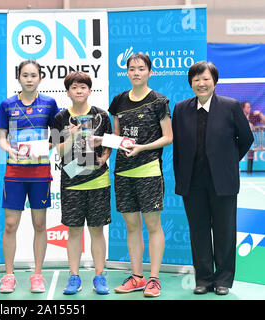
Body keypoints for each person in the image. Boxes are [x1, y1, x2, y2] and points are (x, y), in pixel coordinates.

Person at [172, 61, 254, 295]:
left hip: (223, 181)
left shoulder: (231, 106)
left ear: (214, 82)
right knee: (198, 231)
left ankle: (223, 280)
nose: (201, 83)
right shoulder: (180, 109)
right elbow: (178, 146)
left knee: (224, 230)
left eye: (206, 79)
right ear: (191, 83)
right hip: (192, 181)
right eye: (196, 80)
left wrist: (228, 162)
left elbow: (246, 138)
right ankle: (204, 279)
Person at [108, 53, 173, 297]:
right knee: (132, 226)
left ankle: (154, 279)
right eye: (132, 69)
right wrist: (113, 143)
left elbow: (168, 137)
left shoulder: (159, 101)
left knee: (153, 225)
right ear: (127, 72)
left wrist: (142, 147)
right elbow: (116, 138)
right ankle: (137, 276)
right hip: (123, 173)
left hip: (149, 172)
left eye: (141, 68)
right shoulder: (118, 101)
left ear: (149, 72)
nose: (136, 72)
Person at [0, 60, 59, 293]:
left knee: (39, 223)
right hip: (14, 172)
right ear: (19, 78)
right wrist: (8, 148)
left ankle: (37, 274)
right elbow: (2, 136)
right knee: (11, 224)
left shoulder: (50, 104)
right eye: (25, 75)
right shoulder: (7, 105)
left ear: (40, 78)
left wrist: (46, 147)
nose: (29, 79)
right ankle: (9, 275)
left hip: (40, 172)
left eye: (34, 75)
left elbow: (56, 136)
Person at [51, 71, 112, 295]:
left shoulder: (101, 115)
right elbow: (58, 151)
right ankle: (74, 276)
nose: (79, 91)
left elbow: (108, 144)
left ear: (89, 90)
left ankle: (99, 275)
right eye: (74, 87)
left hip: (98, 180)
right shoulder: (60, 118)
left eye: (83, 87)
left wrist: (104, 156)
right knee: (74, 231)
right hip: (72, 181)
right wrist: (72, 137)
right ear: (68, 92)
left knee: (97, 231)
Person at [241, 101, 265, 173]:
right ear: (243, 108)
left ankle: (249, 171)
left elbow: (264, 121)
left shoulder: (252, 117)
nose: (250, 108)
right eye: (248, 107)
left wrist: (260, 114)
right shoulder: (238, 116)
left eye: (250, 107)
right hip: (240, 139)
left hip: (252, 141)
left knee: (251, 147)